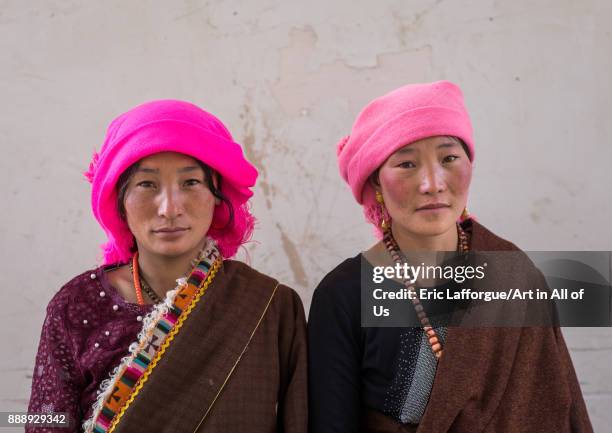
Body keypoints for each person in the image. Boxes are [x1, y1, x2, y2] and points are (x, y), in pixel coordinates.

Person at [308, 81, 593, 433]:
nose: (432, 183)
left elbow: (558, 407)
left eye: (449, 158)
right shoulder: (344, 295)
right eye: (407, 163)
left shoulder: (512, 273)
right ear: (376, 183)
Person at [27, 100, 307, 433]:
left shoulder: (270, 307)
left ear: (217, 196)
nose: (169, 208)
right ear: (119, 200)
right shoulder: (74, 306)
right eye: (147, 184)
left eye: (190, 183)